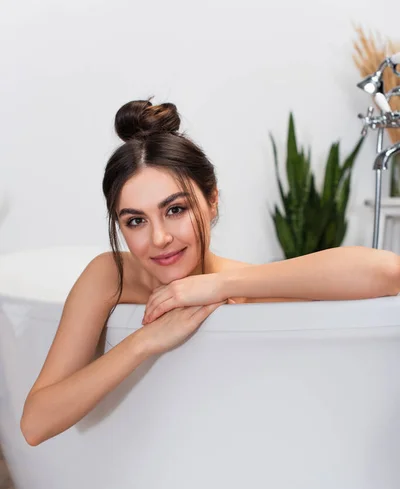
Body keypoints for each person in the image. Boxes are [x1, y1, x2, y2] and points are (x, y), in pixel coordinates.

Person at [20, 99, 400, 447]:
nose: (159, 238)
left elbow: (388, 272)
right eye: (135, 220)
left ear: (212, 200)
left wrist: (220, 284)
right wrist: (143, 341)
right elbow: (35, 424)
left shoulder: (238, 289)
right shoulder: (110, 275)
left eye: (175, 210)